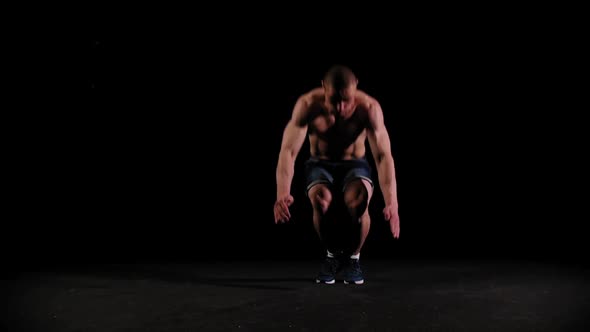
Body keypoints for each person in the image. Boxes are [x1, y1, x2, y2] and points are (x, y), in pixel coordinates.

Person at [273, 65, 400, 285]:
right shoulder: (308, 105)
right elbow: (288, 151)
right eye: (334, 101)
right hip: (320, 163)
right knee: (321, 201)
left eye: (347, 101)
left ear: (356, 87)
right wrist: (282, 193)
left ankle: (353, 258)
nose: (341, 108)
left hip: (354, 163)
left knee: (359, 201)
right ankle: (332, 255)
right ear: (323, 88)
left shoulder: (368, 108)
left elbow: (383, 156)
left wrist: (392, 202)